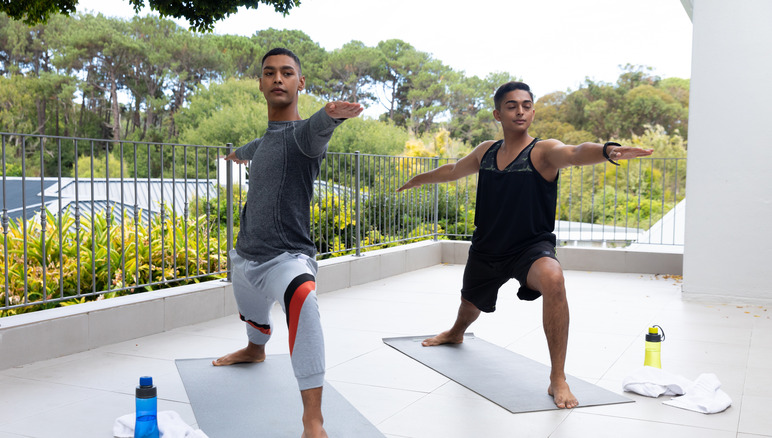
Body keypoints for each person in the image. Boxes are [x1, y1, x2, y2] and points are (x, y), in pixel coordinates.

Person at [397, 81, 652, 409]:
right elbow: (454, 170)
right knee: (470, 304)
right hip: (488, 247)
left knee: (554, 278)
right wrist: (420, 178)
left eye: (527, 105)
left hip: (530, 248)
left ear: (532, 111)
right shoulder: (486, 152)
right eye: (512, 105)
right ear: (497, 113)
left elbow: (574, 153)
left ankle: (557, 377)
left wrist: (607, 151)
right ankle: (456, 332)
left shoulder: (543, 151)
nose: (520, 111)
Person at [214, 47, 363, 438]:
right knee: (254, 321)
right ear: (261, 84)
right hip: (245, 258)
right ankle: (255, 349)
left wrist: (331, 116)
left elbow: (318, 128)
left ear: (300, 82)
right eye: (269, 73)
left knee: (302, 299)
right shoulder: (262, 144)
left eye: (286, 72)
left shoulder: (304, 137)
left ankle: (312, 420)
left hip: (286, 259)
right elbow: (248, 151)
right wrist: (233, 156)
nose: (277, 78)